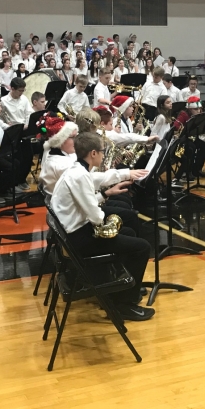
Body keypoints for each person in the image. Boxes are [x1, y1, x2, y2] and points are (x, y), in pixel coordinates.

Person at [51, 132, 155, 321]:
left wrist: (108, 191)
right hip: (78, 239)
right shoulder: (79, 176)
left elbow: (95, 184)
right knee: (142, 248)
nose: (103, 154)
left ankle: (116, 290)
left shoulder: (77, 171)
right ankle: (123, 304)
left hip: (73, 233)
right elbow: (95, 216)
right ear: (92, 153)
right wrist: (105, 216)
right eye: (102, 151)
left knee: (129, 232)